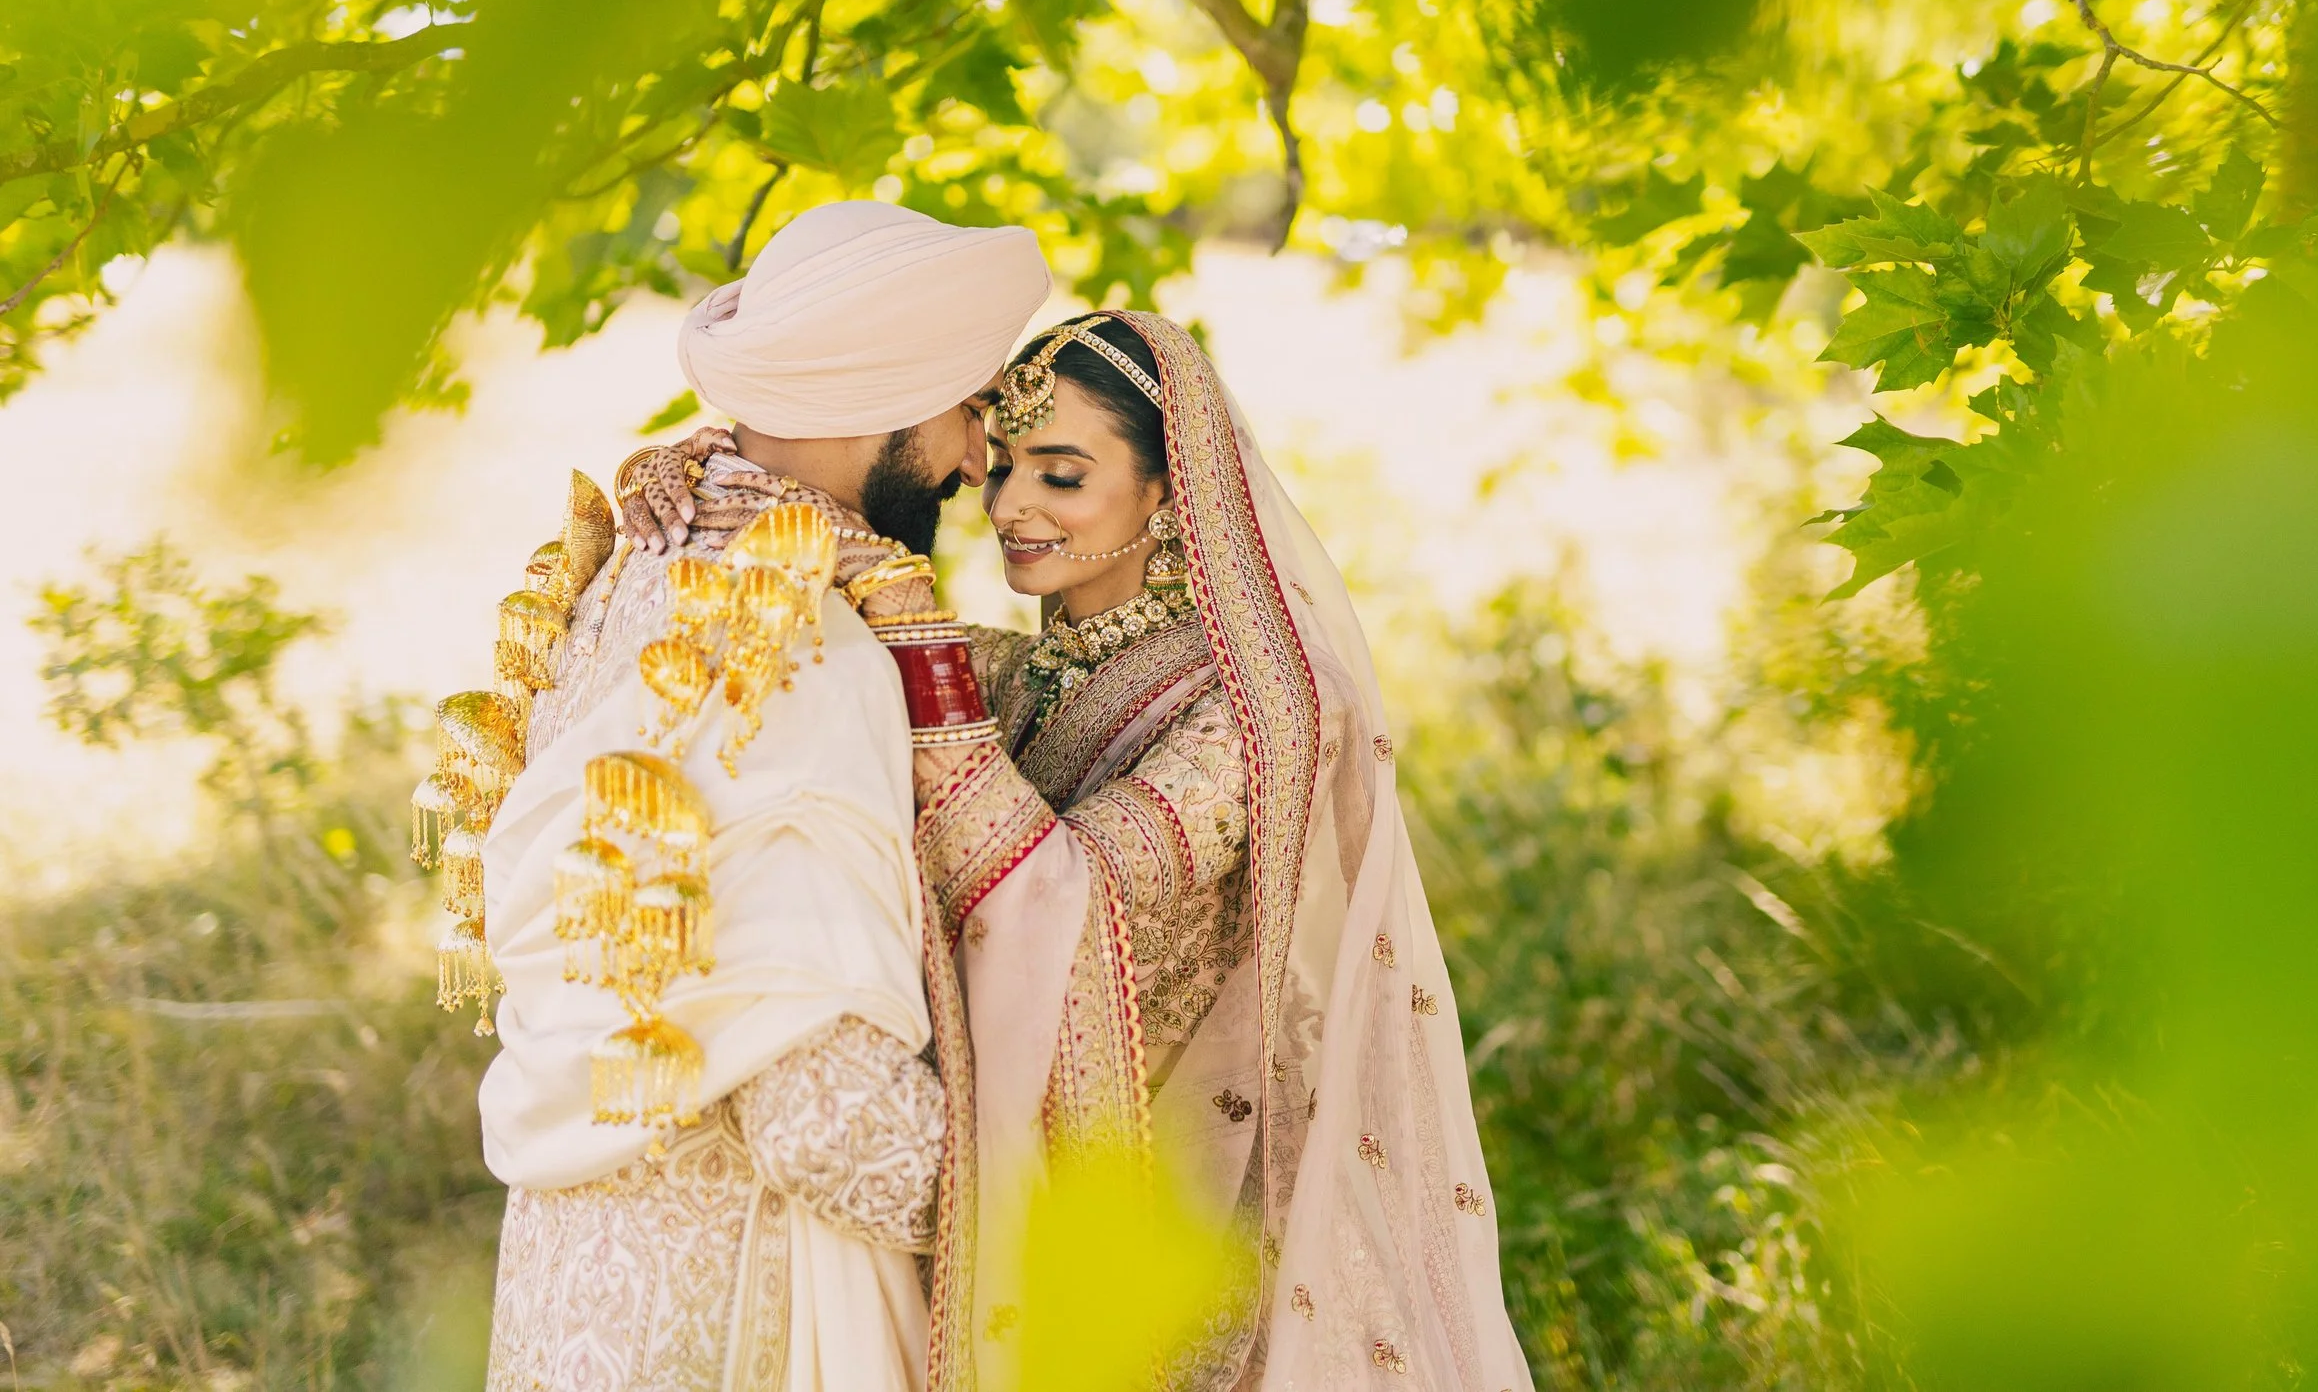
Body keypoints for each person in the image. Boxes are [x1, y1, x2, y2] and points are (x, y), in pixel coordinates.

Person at [632, 311, 1533, 1389]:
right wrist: (719, 478)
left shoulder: (1267, 710)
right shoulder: (1004, 674)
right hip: (999, 1193)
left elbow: (1063, 893)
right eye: (1001, 465)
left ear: (1168, 489)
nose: (1008, 505)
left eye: (1061, 475)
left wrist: (915, 634)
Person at [424, 200, 1046, 1391]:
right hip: (738, 1318)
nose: (978, 463)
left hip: (570, 1292)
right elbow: (825, 1117)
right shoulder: (797, 648)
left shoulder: (632, 571)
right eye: (972, 409)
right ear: (884, 392)